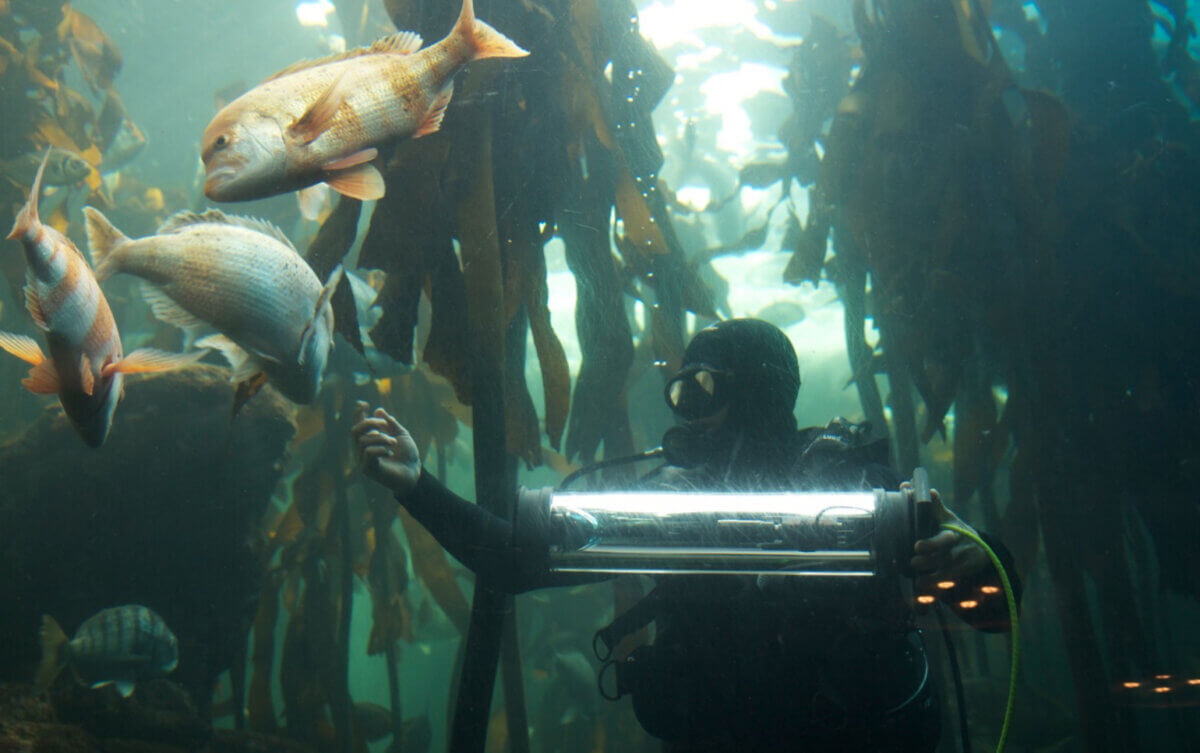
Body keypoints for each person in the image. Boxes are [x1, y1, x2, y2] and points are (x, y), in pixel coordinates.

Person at [353, 318, 1020, 752]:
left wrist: (977, 565)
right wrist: (417, 485)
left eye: (701, 389)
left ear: (757, 391)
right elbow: (512, 561)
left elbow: (993, 607)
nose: (685, 413)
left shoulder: (852, 487)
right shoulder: (668, 511)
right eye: (679, 393)